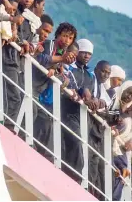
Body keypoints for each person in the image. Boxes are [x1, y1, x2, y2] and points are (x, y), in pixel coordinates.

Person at [34, 41, 79, 161]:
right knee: (43, 124)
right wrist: (54, 68)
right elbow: (43, 62)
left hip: (53, 105)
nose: (72, 57)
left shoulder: (68, 70)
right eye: (71, 53)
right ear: (65, 52)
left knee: (51, 129)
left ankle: (45, 156)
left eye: (75, 56)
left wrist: (73, 90)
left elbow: (72, 85)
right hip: (42, 98)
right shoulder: (55, 59)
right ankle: (36, 150)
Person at [60, 38, 95, 184]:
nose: (87, 56)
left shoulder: (90, 76)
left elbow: (91, 95)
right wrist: (81, 91)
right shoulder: (70, 67)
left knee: (79, 144)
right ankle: (75, 177)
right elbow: (70, 83)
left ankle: (74, 176)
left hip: (80, 115)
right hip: (66, 110)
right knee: (75, 141)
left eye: (89, 54)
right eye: (84, 52)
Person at [88, 60, 112, 200]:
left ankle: (93, 192)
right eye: (103, 71)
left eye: (108, 73)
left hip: (96, 132)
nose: (105, 75)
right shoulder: (91, 79)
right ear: (96, 69)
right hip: (89, 127)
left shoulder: (101, 88)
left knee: (95, 162)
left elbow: (108, 108)